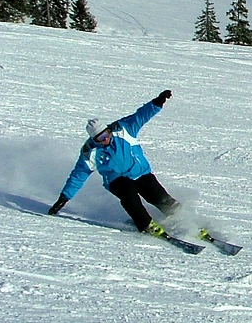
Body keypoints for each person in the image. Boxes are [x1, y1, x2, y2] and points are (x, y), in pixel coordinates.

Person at [48, 90, 179, 237]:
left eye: (105, 135)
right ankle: (146, 224)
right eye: (99, 139)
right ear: (93, 140)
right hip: (116, 180)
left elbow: (141, 116)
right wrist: (63, 198)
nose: (104, 140)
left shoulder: (123, 129)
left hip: (140, 172)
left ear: (108, 130)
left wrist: (157, 102)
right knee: (128, 194)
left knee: (158, 197)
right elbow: (78, 176)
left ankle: (181, 217)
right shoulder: (90, 152)